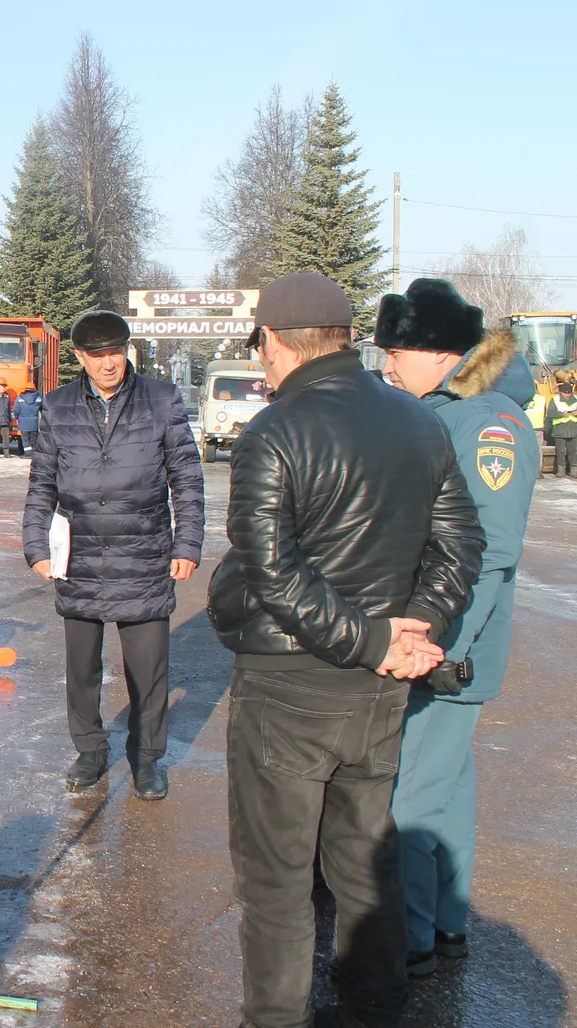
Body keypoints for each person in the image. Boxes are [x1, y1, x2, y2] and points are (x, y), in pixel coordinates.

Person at [206, 272, 483, 1028]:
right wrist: (411, 632)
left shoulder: (274, 430)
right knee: (365, 868)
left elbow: (272, 569)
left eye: (258, 343)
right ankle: (378, 1011)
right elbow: (461, 545)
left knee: (277, 881)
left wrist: (373, 639)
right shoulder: (419, 420)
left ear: (272, 340)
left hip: (290, 684)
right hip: (379, 689)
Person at [376, 279, 538, 978]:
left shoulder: (488, 422)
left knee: (411, 793)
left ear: (440, 353)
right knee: (448, 784)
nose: (386, 367)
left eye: (396, 352)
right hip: (441, 637)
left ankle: (408, 939)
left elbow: (493, 551)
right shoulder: (447, 409)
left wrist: (445, 646)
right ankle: (446, 922)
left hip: (447, 646)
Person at [22, 310, 204, 802]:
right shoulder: (58, 406)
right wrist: (36, 545)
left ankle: (146, 759)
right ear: (79, 357)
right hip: (77, 556)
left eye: (116, 352)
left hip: (144, 555)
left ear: (128, 351)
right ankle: (90, 751)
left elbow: (186, 478)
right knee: (81, 668)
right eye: (98, 355)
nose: (109, 363)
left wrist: (188, 543)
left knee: (148, 670)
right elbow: (42, 482)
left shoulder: (161, 400)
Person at [551, 376, 577, 477]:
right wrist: (561, 414)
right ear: (560, 392)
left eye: (569, 392)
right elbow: (550, 413)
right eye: (565, 393)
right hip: (559, 430)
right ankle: (561, 471)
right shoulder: (555, 400)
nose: (567, 394)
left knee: (573, 451)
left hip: (573, 430)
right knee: (560, 452)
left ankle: (574, 470)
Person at [14, 382, 43, 452]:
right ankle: (33, 452)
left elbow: (16, 409)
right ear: (34, 388)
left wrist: (17, 417)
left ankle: (27, 453)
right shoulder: (38, 397)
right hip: (34, 422)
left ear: (25, 389)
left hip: (23, 422)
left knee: (25, 438)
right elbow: (43, 407)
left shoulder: (20, 397)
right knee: (33, 437)